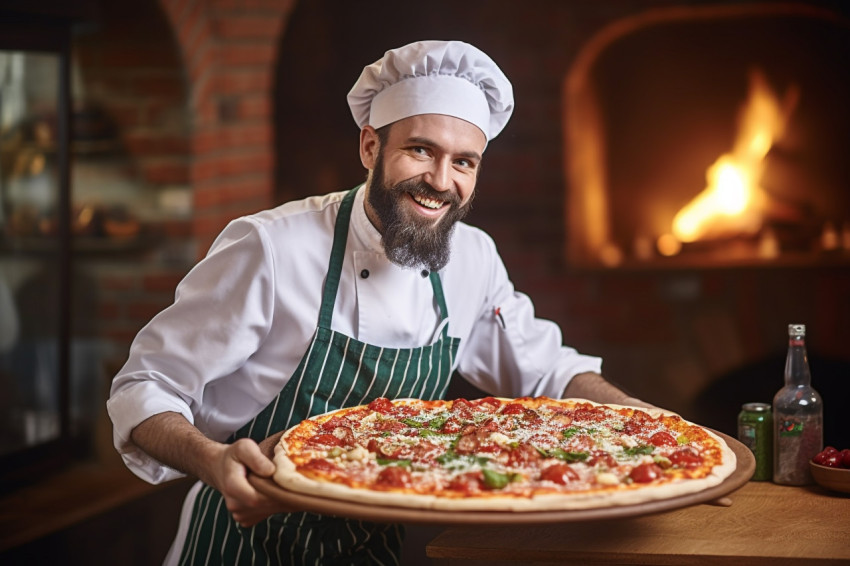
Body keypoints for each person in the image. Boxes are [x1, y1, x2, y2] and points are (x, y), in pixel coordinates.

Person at [107, 39, 651, 566]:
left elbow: (545, 372)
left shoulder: (474, 258)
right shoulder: (272, 247)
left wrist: (648, 420)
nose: (441, 182)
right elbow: (143, 388)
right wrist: (216, 461)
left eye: (465, 162)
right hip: (241, 544)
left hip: (370, 550)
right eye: (421, 150)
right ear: (370, 146)